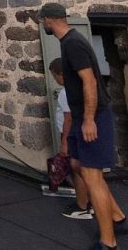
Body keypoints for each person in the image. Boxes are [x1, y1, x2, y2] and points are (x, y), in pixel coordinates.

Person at [40, 3, 128, 250]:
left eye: (43, 20)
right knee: (78, 165)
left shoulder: (73, 43)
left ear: (49, 20)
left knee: (92, 175)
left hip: (93, 116)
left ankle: (108, 241)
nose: (43, 24)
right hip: (82, 117)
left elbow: (89, 81)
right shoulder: (69, 41)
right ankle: (117, 217)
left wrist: (89, 120)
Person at [50, 57, 92, 220]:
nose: (56, 80)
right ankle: (91, 203)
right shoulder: (80, 87)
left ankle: (82, 206)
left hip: (71, 134)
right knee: (84, 169)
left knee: (76, 170)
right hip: (80, 132)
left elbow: (68, 119)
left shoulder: (66, 92)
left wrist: (64, 143)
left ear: (61, 74)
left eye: (55, 76)